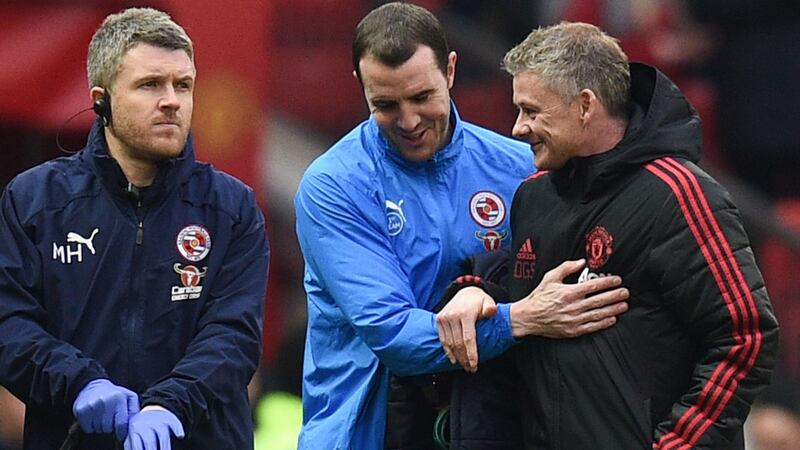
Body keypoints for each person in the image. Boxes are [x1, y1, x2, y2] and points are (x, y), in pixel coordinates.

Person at [294, 3, 629, 449]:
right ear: (361, 85)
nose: (409, 121)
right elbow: (393, 333)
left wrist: (482, 289)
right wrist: (519, 319)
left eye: (421, 98)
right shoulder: (334, 186)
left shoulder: (520, 167)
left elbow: (559, 279)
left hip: (491, 426)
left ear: (450, 71)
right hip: (368, 433)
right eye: (385, 105)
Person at [446, 21, 780, 449]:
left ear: (585, 105)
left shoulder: (677, 194)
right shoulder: (531, 196)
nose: (518, 128)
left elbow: (747, 336)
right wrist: (474, 292)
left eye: (532, 111)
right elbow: (525, 315)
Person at [0, 8, 269, 450]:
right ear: (101, 100)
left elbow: (234, 335)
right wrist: (81, 384)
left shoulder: (231, 207)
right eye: (150, 85)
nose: (172, 100)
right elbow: (10, 325)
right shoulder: (35, 201)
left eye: (183, 85)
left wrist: (169, 405)